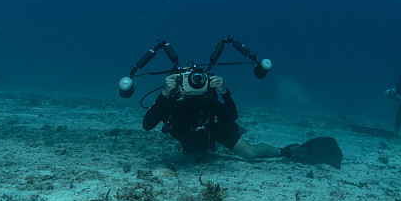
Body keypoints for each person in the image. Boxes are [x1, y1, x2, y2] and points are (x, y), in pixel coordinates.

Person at [143, 72, 342, 168]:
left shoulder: (207, 101)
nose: (194, 85)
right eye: (188, 81)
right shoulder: (169, 102)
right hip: (190, 139)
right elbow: (147, 124)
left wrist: (223, 91)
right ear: (179, 83)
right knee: (193, 150)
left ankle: (289, 150)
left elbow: (231, 116)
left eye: (199, 80)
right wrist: (164, 92)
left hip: (213, 130)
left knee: (250, 153)